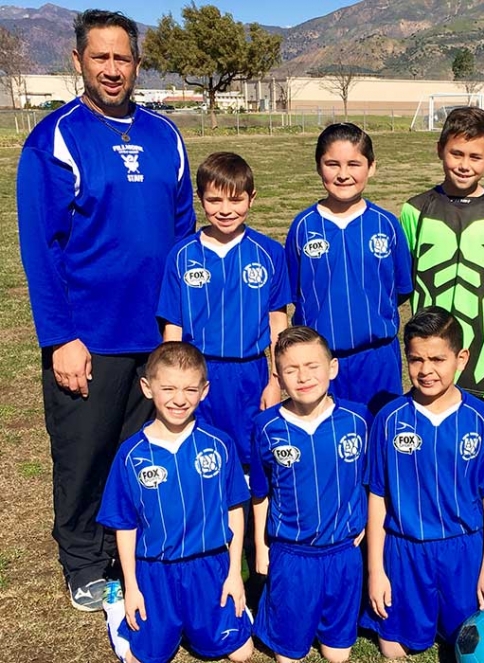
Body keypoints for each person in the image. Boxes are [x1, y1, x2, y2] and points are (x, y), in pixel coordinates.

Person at [16, 9, 195, 610]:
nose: (112, 69)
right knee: (84, 453)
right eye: (101, 57)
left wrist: (180, 320)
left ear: (137, 64)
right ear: (78, 61)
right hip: (88, 336)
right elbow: (40, 250)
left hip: (154, 333)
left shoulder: (164, 134)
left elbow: (181, 232)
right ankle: (82, 559)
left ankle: (131, 544)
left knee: (141, 450)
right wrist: (60, 337)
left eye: (123, 58)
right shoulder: (55, 138)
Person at [361, 306, 484, 657]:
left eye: (437, 359)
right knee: (393, 650)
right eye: (416, 359)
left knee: (468, 638)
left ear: (461, 358)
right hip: (406, 551)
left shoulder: (483, 420)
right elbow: (378, 496)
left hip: (463, 552)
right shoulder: (389, 419)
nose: (426, 370)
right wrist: (376, 571)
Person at [97, 342, 254, 663]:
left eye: (189, 389)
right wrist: (132, 587)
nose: (179, 399)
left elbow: (235, 509)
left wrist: (234, 574)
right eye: (167, 388)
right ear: (147, 387)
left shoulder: (220, 445)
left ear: (204, 391)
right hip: (155, 572)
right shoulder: (131, 455)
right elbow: (124, 524)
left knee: (242, 653)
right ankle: (115, 608)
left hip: (210, 566)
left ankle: (220, 617)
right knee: (143, 658)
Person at [157, 151, 290, 467]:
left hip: (251, 376)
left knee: (253, 460)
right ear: (200, 199)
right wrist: (169, 383)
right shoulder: (182, 254)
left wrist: (275, 381)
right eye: (215, 200)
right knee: (199, 457)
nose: (226, 210)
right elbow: (172, 327)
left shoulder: (269, 253)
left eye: (235, 200)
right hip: (198, 376)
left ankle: (250, 517)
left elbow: (277, 320)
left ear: (251, 199)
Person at [250, 326, 369, 663]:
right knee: (289, 656)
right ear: (279, 377)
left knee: (338, 656)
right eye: (291, 369)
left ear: (332, 368)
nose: (303, 377)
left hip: (343, 553)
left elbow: (370, 480)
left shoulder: (358, 419)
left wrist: (364, 520)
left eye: (312, 366)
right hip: (292, 554)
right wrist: (261, 548)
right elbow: (261, 493)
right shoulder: (266, 426)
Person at [286, 123, 412, 414]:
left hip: (377, 359)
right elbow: (295, 292)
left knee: (380, 437)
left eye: (354, 164)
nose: (343, 174)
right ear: (319, 167)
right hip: (319, 360)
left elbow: (400, 290)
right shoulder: (304, 226)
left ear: (372, 167)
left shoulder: (387, 224)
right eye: (333, 164)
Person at [400, 108, 484, 415]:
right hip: (431, 364)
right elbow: (402, 279)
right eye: (456, 154)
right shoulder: (415, 211)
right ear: (440, 150)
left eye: (475, 157)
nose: (464, 165)